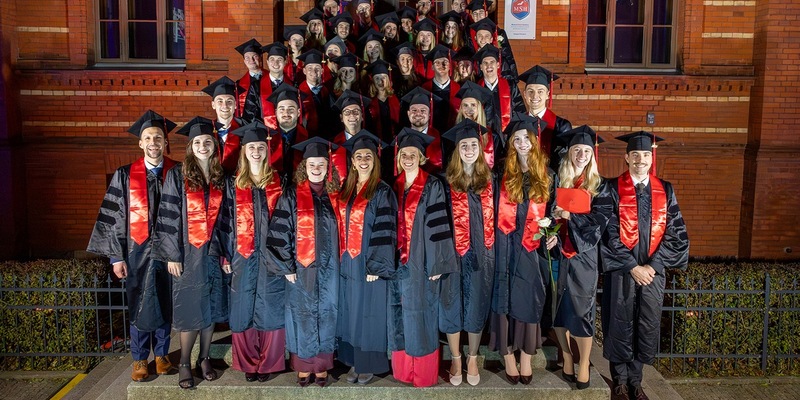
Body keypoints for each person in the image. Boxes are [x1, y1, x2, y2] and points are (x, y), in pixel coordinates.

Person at [87, 110, 178, 382]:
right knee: (138, 302)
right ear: (140, 143)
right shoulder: (125, 175)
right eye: (148, 138)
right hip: (136, 252)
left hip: (169, 251)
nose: (153, 142)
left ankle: (161, 355)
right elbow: (113, 218)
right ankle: (139, 359)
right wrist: (116, 257)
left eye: (158, 138)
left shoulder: (178, 172)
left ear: (165, 143)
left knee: (165, 301)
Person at [601, 131, 689, 400]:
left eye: (645, 156)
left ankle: (637, 381)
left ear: (652, 159)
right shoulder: (611, 188)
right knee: (619, 323)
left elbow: (676, 233)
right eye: (635, 155)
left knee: (645, 323)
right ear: (626, 157)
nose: (640, 160)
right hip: (623, 272)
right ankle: (620, 381)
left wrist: (653, 265)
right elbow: (608, 233)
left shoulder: (666, 190)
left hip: (652, 273)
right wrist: (632, 266)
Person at [153, 116, 228, 389]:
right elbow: (169, 215)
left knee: (209, 307)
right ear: (191, 146)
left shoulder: (222, 176)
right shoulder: (178, 174)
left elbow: (227, 219)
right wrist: (171, 254)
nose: (203, 145)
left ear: (214, 145)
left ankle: (204, 358)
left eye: (208, 141)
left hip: (214, 251)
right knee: (189, 308)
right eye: (198, 142)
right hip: (187, 253)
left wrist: (225, 252)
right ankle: (185, 361)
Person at [266, 137, 342, 387]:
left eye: (321, 164)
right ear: (304, 167)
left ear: (328, 167)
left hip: (332, 269)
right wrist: (285, 265)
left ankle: (322, 366)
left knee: (327, 313)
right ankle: (302, 365)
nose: (317, 168)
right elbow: (279, 232)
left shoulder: (337, 195)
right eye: (312, 164)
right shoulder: (292, 196)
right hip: (301, 267)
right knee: (302, 314)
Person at [490, 113, 558, 386]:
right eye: (516, 139)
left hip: (532, 245)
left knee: (529, 297)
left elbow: (554, 214)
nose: (521, 143)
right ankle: (507, 355)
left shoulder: (548, 175)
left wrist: (554, 234)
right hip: (504, 241)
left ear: (534, 141)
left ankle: (526, 356)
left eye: (526, 138)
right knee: (504, 296)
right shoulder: (501, 175)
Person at [216, 121, 286, 382]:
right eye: (251, 147)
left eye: (260, 146)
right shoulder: (233, 185)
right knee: (243, 305)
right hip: (241, 255)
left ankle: (268, 363)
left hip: (272, 256)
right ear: (243, 151)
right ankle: (247, 362)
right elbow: (224, 222)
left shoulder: (280, 181)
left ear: (267, 150)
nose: (256, 151)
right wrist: (224, 254)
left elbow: (288, 222)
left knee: (271, 303)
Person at [388, 128, 459, 388]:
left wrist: (438, 263)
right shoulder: (392, 185)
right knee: (399, 313)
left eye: (413, 154)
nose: (408, 158)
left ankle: (423, 374)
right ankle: (403, 371)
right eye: (404, 154)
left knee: (422, 313)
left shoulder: (432, 185)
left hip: (423, 262)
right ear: (398, 158)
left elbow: (440, 224)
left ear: (421, 157)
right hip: (398, 264)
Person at [337, 130, 398, 385]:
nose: (363, 160)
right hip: (346, 262)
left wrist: (377, 264)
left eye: (368, 156)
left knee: (369, 313)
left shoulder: (382, 191)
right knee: (350, 311)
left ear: (375, 160)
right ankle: (353, 361)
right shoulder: (346, 188)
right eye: (359, 155)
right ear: (352, 161)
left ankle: (368, 364)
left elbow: (387, 230)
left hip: (369, 263)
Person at [552, 125, 609, 390]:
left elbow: (599, 224)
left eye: (587, 151)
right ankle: (566, 356)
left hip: (584, 258)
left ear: (592, 155)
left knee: (582, 311)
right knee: (559, 311)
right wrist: (550, 232)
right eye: (577, 150)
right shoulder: (558, 181)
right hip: (559, 254)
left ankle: (584, 361)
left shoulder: (600, 187)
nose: (582, 154)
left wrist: (569, 216)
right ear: (570, 153)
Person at [442, 119, 496, 386]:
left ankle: (472, 357)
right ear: (457, 149)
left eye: (473, 144)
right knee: (451, 304)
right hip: (452, 254)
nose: (469, 149)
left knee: (476, 304)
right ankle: (455, 358)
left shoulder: (490, 181)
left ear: (480, 148)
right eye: (464, 145)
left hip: (483, 253)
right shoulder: (445, 181)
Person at [518, 65, 573, 170]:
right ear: (524, 94)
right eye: (530, 91)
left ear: (548, 94)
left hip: (549, 181)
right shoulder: (517, 123)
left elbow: (562, 163)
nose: (534, 96)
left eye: (540, 91)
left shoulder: (561, 126)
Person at [475, 45, 525, 135]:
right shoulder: (476, 89)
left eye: (492, 62)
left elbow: (520, 111)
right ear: (481, 67)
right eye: (485, 63)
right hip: (484, 138)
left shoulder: (510, 86)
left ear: (498, 65)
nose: (489, 65)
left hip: (506, 137)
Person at [266, 83, 310, 177]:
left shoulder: (309, 140)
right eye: (281, 109)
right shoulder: (266, 139)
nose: (286, 113)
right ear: (276, 113)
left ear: (298, 113)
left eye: (291, 109)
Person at [454, 81, 499, 169]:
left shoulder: (493, 136)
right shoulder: (454, 133)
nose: (469, 110)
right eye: (465, 105)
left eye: (473, 105)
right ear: (461, 109)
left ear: (479, 108)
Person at [202, 76, 243, 174]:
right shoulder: (205, 132)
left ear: (236, 105)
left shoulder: (244, 131)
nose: (225, 106)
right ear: (213, 105)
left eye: (229, 101)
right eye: (220, 101)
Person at [400, 87, 444, 174]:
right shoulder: (400, 139)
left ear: (429, 114)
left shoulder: (441, 139)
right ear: (408, 114)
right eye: (414, 110)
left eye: (423, 110)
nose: (418, 114)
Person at [421, 44, 461, 134]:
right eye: (437, 63)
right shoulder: (425, 89)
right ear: (432, 67)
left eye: (445, 62)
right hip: (431, 135)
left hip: (453, 133)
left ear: (449, 65)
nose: (441, 65)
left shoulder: (458, 88)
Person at [365, 59, 401, 143]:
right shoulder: (368, 103)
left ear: (388, 80)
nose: (381, 81)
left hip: (395, 142)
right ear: (373, 81)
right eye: (377, 78)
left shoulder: (398, 100)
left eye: (384, 77)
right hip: (376, 143)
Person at [297, 49, 332, 135]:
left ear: (322, 71)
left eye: (317, 68)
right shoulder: (297, 94)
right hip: (305, 136)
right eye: (310, 68)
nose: (314, 72)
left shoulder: (327, 92)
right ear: (304, 71)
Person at [234, 38, 267, 125]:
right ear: (244, 61)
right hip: (249, 125)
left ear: (260, 58)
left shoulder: (272, 78)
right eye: (247, 57)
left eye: (254, 56)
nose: (251, 60)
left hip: (269, 123)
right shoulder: (239, 84)